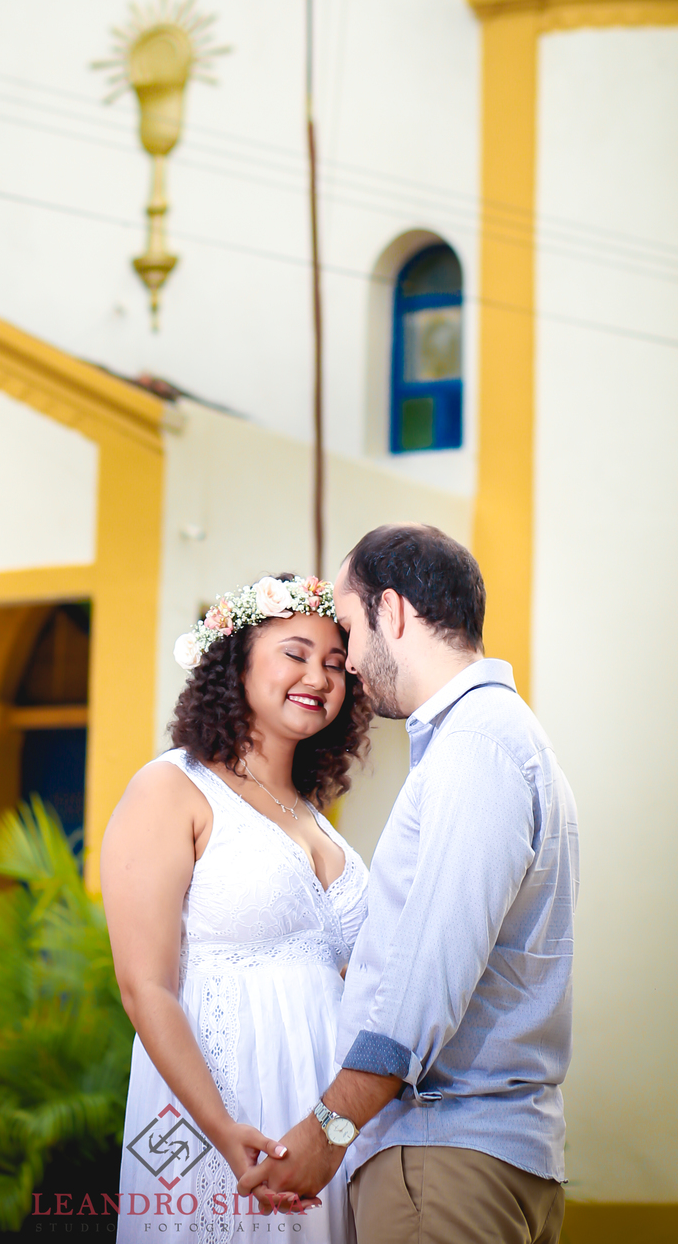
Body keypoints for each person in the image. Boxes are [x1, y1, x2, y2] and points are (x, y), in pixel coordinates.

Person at [241, 525, 579, 1244]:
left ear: (392, 613)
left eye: (352, 628)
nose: (350, 663)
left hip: (444, 1156)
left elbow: (429, 971)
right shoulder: (494, 739)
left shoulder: (475, 748)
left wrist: (331, 1126)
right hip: (473, 1156)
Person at [101, 574, 373, 1244]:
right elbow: (145, 987)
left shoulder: (315, 816)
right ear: (235, 663)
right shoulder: (172, 789)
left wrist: (337, 1126)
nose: (320, 675)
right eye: (297, 653)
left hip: (322, 1122)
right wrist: (220, 1127)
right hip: (221, 1108)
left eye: (337, 664)